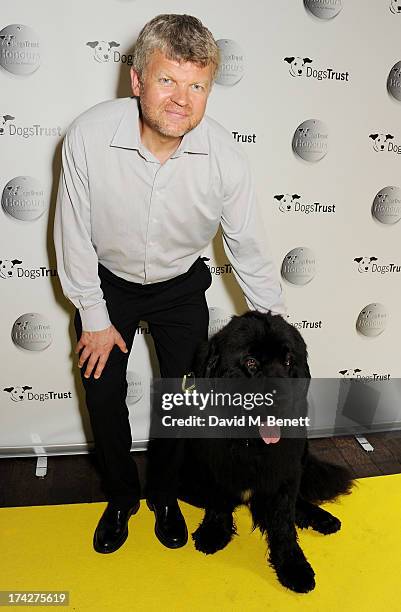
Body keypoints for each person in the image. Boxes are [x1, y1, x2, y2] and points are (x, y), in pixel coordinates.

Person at [53, 13, 286, 554]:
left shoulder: (225, 157)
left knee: (181, 399)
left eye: (196, 85)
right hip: (105, 283)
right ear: (137, 81)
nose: (182, 99)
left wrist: (275, 335)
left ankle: (163, 494)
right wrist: (93, 315)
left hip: (180, 287)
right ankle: (120, 498)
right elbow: (72, 235)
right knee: (103, 390)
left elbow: (248, 249)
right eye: (167, 81)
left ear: (208, 89)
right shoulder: (87, 137)